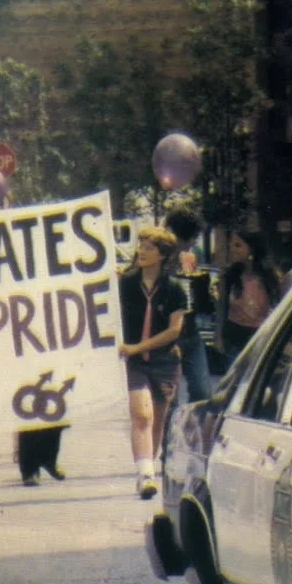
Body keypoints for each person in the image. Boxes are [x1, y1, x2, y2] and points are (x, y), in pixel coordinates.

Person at [118, 227, 188, 500]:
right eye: (141, 246)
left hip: (164, 362)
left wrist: (141, 346)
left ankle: (149, 463)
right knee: (142, 415)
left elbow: (174, 330)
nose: (141, 252)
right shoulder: (126, 283)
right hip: (135, 362)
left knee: (157, 420)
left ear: (162, 255)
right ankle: (145, 475)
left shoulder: (174, 289)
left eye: (148, 248)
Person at [164, 209, 212, 404]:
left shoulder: (190, 259)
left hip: (191, 332)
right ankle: (167, 434)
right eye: (194, 237)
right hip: (168, 336)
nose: (195, 242)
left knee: (202, 392)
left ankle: (195, 432)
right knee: (170, 398)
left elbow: (192, 292)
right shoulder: (160, 261)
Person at [217, 230, 280, 364]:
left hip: (261, 336)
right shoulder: (230, 275)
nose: (233, 249)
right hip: (234, 336)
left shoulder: (269, 276)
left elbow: (278, 306)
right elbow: (222, 307)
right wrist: (218, 336)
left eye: (238, 245)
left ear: (251, 249)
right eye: (231, 245)